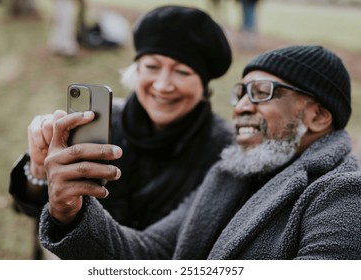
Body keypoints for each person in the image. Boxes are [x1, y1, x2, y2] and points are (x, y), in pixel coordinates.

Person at [39, 45, 361, 259]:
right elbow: (153, 251)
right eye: (240, 93)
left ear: (318, 116)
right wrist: (72, 213)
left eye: (262, 92)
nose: (242, 107)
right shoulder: (229, 174)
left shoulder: (343, 193)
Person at [9, 5, 233, 258]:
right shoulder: (101, 122)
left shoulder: (223, 150)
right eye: (152, 66)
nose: (163, 85)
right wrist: (38, 175)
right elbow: (32, 212)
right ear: (136, 71)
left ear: (203, 85)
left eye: (182, 71)